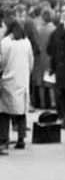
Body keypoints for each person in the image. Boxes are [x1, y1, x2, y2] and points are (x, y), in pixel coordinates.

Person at [0, 19, 34, 153]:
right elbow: (31, 61)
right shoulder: (27, 42)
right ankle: (21, 138)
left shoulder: (5, 43)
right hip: (23, 80)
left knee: (4, 112)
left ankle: (3, 139)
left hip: (8, 80)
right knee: (21, 111)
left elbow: (1, 62)